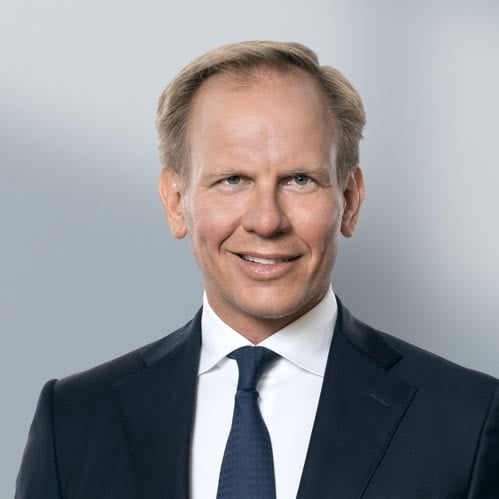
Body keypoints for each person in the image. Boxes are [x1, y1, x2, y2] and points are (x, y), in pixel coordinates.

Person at [16, 41, 499, 499]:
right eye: (233, 180)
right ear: (176, 202)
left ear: (350, 201)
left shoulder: (467, 420)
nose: (267, 221)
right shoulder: (74, 421)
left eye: (300, 179)